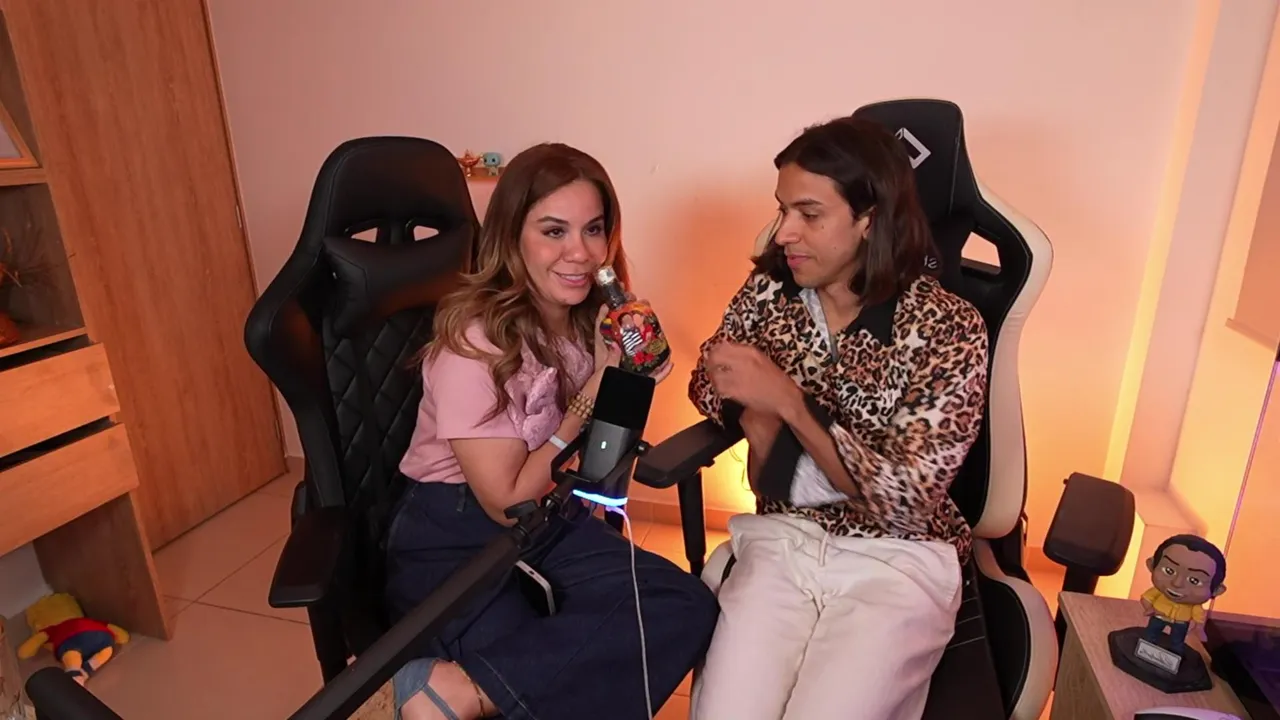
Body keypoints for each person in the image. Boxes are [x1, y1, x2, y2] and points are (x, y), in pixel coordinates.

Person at [385, 142, 718, 720]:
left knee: (680, 603)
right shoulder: (474, 343)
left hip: (551, 516)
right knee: (539, 666)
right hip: (456, 529)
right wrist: (591, 395)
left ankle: (464, 690)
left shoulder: (589, 322)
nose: (580, 253)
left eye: (594, 230)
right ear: (512, 237)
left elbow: (601, 461)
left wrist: (631, 380)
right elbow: (505, 502)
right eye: (554, 231)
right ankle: (444, 688)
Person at [688, 116, 990, 720]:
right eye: (782, 210)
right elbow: (708, 377)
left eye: (809, 214)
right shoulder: (769, 293)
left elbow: (907, 500)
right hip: (785, 539)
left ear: (869, 219)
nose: (783, 233)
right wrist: (756, 418)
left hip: (899, 559)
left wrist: (790, 404)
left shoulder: (949, 328)